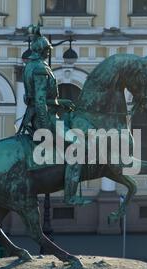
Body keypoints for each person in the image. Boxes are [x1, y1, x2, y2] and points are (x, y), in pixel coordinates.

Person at [19, 25, 90, 206]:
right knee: (78, 145)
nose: (48, 54)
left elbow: (33, 97)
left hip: (37, 113)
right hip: (43, 117)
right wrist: (45, 127)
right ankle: (70, 195)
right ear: (43, 50)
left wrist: (61, 103)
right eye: (48, 51)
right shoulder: (41, 69)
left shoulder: (30, 66)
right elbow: (41, 101)